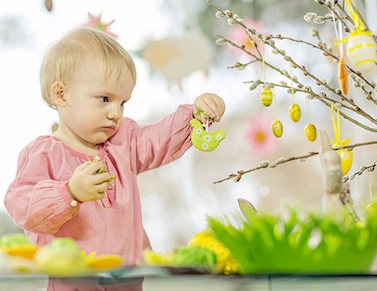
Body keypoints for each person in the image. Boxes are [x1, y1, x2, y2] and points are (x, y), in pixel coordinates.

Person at [4, 27, 225, 274]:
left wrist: (194, 116)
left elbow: (157, 139)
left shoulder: (123, 142)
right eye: (104, 99)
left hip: (130, 279)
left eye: (123, 102)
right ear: (61, 94)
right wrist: (69, 192)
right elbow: (22, 205)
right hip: (73, 284)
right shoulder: (43, 154)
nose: (116, 113)